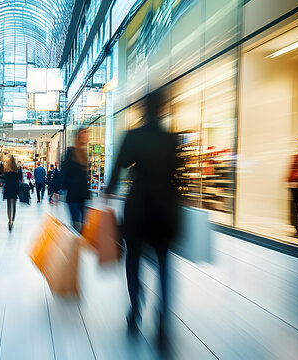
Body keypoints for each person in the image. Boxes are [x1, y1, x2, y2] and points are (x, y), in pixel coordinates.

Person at [105, 89, 181, 346]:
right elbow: (177, 176)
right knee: (164, 265)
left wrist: (108, 191)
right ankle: (162, 323)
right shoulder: (171, 140)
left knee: (133, 259)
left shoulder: (133, 137)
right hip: (164, 210)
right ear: (162, 108)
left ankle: (135, 307)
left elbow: (119, 166)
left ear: (143, 109)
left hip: (138, 209)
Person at [62, 129, 90, 230]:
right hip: (73, 194)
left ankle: (79, 243)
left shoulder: (84, 153)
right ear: (79, 136)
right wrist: (57, 191)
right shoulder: (70, 152)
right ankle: (75, 243)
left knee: (83, 226)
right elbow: (64, 172)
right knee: (76, 225)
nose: (87, 137)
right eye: (85, 134)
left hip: (83, 195)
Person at [3, 156, 19, 231]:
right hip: (14, 189)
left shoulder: (6, 171)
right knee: (14, 204)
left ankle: (9, 221)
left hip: (8, 189)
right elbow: (18, 181)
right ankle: (13, 219)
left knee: (8, 205)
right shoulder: (17, 171)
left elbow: (4, 180)